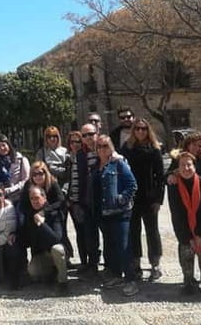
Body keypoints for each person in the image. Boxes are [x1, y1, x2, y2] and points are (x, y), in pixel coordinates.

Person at [93, 134, 138, 297]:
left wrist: (121, 199)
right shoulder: (97, 166)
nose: (101, 149)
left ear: (111, 147)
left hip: (120, 213)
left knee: (124, 246)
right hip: (104, 213)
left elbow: (132, 185)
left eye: (105, 146)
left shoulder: (118, 163)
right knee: (111, 246)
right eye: (98, 146)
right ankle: (117, 275)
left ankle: (131, 280)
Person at [121, 118, 165, 282]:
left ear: (148, 130)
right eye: (137, 129)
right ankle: (136, 263)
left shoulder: (154, 149)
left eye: (143, 129)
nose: (140, 132)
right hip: (132, 197)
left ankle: (155, 264)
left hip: (149, 197)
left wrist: (159, 199)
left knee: (152, 231)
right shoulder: (127, 148)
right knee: (133, 231)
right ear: (133, 130)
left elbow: (160, 177)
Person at [168, 152, 201, 296]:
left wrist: (199, 234)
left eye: (189, 164)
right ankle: (188, 283)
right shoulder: (173, 185)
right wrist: (187, 236)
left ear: (194, 166)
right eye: (182, 165)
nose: (186, 168)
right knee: (186, 256)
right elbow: (176, 213)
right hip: (184, 229)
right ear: (177, 168)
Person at [19, 186, 69, 296]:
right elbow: (26, 240)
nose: (34, 201)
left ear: (44, 198)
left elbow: (57, 239)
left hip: (56, 253)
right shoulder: (30, 215)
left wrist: (42, 224)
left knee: (58, 249)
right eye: (32, 199)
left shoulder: (54, 213)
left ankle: (63, 282)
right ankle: (51, 273)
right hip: (42, 255)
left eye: (37, 198)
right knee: (33, 271)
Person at [76, 122, 101, 276]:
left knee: (109, 234)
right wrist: (78, 201)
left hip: (103, 200)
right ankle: (93, 265)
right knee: (90, 236)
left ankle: (112, 267)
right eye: (84, 135)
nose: (88, 138)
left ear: (97, 133)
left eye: (90, 134)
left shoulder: (104, 149)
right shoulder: (80, 154)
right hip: (87, 200)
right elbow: (80, 179)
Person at [65, 130, 89, 268]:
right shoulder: (68, 158)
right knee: (79, 232)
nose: (75, 144)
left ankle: (91, 262)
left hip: (83, 201)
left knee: (87, 231)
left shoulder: (84, 156)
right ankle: (83, 261)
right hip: (72, 201)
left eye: (78, 141)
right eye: (72, 142)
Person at [0, 135, 30, 204]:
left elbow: (26, 180)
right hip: (2, 198)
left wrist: (10, 190)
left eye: (3, 145)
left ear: (9, 145)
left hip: (19, 197)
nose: (2, 148)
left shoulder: (22, 159)